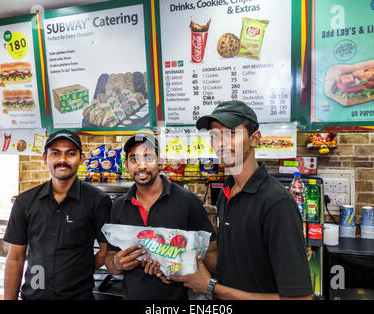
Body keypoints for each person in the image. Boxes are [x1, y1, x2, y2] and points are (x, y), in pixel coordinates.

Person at [168, 101, 313, 300]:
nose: (221, 143)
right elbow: (235, 263)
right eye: (214, 135)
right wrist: (178, 259)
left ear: (255, 138)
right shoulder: (228, 193)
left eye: (231, 133)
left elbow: (299, 299)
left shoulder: (276, 203)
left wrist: (211, 288)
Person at [104, 132, 217, 300]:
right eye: (134, 159)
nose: (141, 166)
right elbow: (110, 258)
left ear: (160, 162)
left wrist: (178, 265)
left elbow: (212, 253)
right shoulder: (118, 206)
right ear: (126, 165)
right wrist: (116, 264)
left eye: (148, 157)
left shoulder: (187, 201)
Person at [3, 129, 112, 300]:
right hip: (33, 295)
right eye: (55, 153)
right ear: (45, 157)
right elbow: (15, 258)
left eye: (70, 153)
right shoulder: (25, 201)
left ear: (81, 159)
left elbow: (105, 252)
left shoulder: (98, 200)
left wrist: (76, 273)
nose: (62, 160)